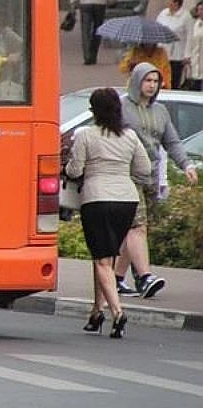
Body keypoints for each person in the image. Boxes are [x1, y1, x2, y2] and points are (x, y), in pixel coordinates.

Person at [65, 88, 151, 339]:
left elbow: (74, 170)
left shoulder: (86, 136)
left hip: (97, 199)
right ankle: (96, 311)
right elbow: (144, 168)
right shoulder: (130, 136)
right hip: (126, 200)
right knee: (107, 257)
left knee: (102, 259)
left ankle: (117, 312)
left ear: (93, 110)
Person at [116, 63, 199, 298]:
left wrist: (186, 165)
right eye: (147, 80)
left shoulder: (160, 111)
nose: (151, 85)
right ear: (136, 81)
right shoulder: (122, 108)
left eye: (155, 81)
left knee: (135, 230)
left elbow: (171, 142)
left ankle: (116, 278)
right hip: (127, 175)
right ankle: (145, 277)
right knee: (137, 226)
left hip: (150, 176)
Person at [155, 0, 193, 89]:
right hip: (162, 52)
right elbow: (157, 29)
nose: (166, 2)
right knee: (161, 78)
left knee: (174, 80)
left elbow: (190, 36)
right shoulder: (163, 13)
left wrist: (187, 55)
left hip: (177, 55)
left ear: (176, 2)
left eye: (169, 0)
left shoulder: (186, 16)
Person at [184, 0, 203, 91]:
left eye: (202, 9)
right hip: (195, 62)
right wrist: (187, 56)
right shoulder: (195, 25)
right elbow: (190, 42)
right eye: (199, 10)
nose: (200, 12)